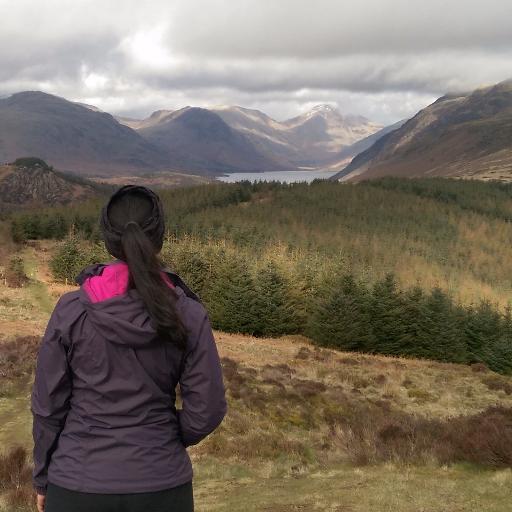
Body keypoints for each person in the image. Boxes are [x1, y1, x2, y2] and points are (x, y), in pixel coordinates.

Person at [30, 185, 227, 512]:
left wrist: (42, 477)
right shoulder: (188, 313)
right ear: (160, 235)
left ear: (108, 239)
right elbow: (207, 408)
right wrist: (164, 437)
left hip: (77, 483)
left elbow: (48, 407)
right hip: (163, 485)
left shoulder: (72, 310)